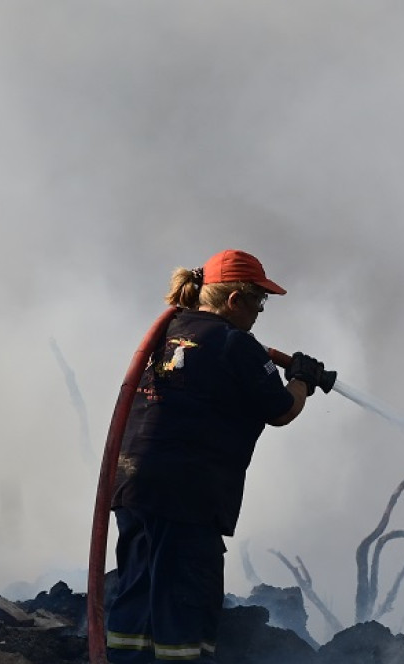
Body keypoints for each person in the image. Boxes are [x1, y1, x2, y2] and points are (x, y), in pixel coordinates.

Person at [105, 249, 329, 663]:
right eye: (259, 300)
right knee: (185, 603)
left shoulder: (168, 331)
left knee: (135, 594)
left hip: (132, 489)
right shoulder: (234, 343)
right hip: (187, 496)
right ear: (234, 300)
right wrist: (301, 378)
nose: (261, 310)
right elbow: (281, 408)